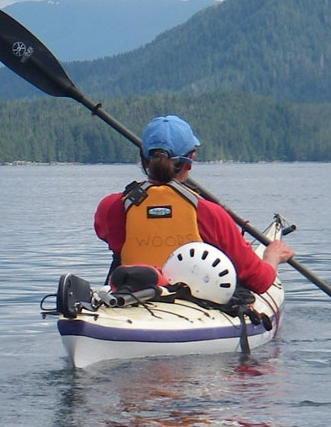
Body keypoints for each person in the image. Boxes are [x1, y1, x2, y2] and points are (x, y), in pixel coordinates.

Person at [94, 115, 293, 295]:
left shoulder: (110, 207)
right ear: (190, 161)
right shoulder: (210, 213)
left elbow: (105, 233)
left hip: (129, 298)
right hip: (192, 304)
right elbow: (259, 281)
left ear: (144, 160)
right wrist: (272, 256)